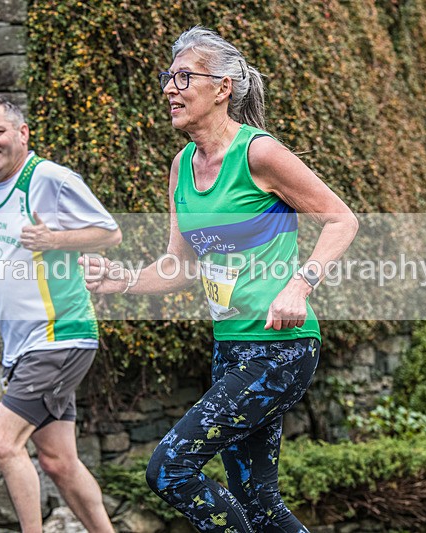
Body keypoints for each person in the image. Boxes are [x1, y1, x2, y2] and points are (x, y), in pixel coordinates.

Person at [81, 26, 358, 533]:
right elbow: (179, 265)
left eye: (184, 76)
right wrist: (120, 279)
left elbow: (342, 219)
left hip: (281, 348)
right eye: (169, 77)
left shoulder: (259, 154)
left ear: (222, 88)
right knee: (259, 504)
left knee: (169, 468)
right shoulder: (181, 166)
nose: (170, 87)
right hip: (229, 348)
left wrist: (299, 286)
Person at [0, 94, 120, 533]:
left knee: (2, 443)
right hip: (24, 345)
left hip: (59, 335)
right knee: (58, 461)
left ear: (22, 133)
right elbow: (6, 253)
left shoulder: (49, 178)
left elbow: (110, 232)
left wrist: (55, 241)